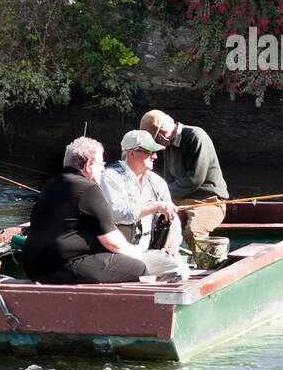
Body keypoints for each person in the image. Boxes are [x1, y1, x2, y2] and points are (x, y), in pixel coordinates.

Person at [21, 136, 186, 285]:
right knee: (138, 268)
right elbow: (112, 241)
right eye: (101, 164)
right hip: (63, 266)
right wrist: (139, 256)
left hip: (32, 266)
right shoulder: (88, 189)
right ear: (88, 165)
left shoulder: (52, 184)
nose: (103, 169)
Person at [138, 109, 230, 251]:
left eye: (156, 141)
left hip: (209, 201)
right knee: (159, 227)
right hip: (181, 202)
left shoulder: (195, 136)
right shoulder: (167, 146)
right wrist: (156, 200)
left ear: (165, 134)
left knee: (193, 232)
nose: (155, 148)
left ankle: (205, 266)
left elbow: (194, 179)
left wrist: (162, 197)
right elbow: (167, 181)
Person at [99, 129, 184, 258]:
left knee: (178, 270)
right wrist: (155, 207)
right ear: (132, 153)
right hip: (118, 254)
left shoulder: (157, 182)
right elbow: (117, 214)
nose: (155, 156)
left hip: (151, 252)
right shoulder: (110, 177)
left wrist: (173, 245)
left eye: (155, 152)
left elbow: (174, 219)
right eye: (149, 152)